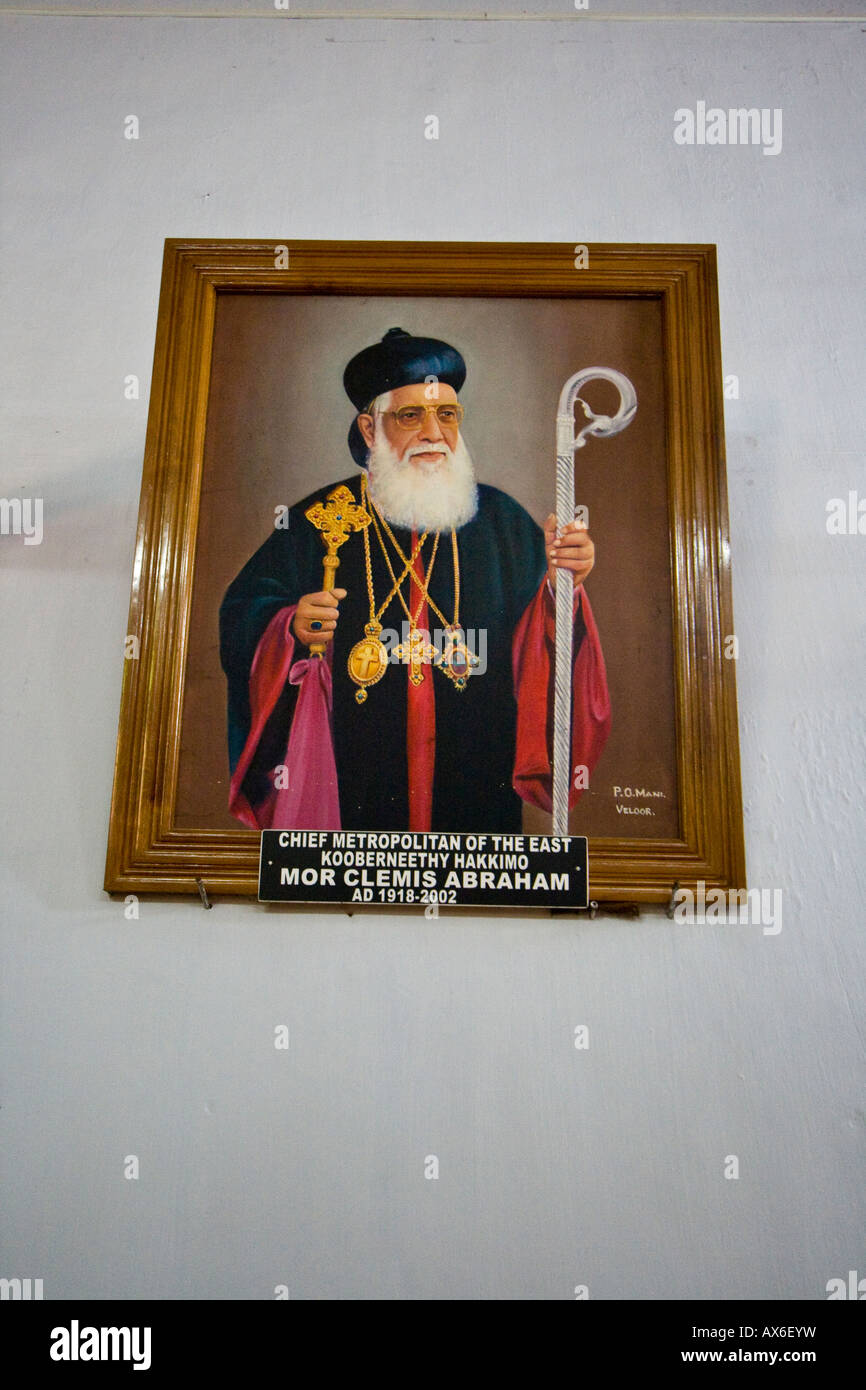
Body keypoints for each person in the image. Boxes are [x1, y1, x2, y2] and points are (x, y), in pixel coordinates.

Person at [219, 328, 611, 832]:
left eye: (446, 415)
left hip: (474, 785)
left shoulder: (500, 520)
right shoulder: (318, 519)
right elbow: (242, 616)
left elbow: (540, 649)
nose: (433, 433)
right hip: (354, 781)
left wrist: (564, 585)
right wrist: (290, 627)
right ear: (368, 428)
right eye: (411, 416)